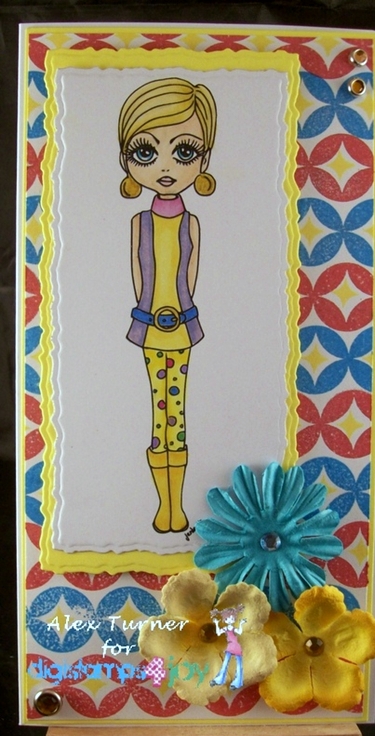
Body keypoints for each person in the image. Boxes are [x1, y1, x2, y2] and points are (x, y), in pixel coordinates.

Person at [118, 77, 217, 534]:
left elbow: (188, 279)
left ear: (203, 161)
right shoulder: (139, 222)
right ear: (127, 159)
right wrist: (149, 316)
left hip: (181, 327)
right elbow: (140, 278)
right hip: (149, 328)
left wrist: (180, 314)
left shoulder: (190, 223)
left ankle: (176, 507)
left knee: (175, 416)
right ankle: (167, 506)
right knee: (161, 416)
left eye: (183, 151)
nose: (164, 166)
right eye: (145, 151)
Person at [209, 605, 246, 689]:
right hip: (230, 645)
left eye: (231, 618)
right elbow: (218, 633)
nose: (229, 620)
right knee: (225, 662)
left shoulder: (233, 628)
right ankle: (219, 680)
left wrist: (241, 624)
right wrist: (216, 624)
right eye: (227, 618)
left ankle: (237, 683)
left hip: (236, 645)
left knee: (239, 664)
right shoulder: (226, 628)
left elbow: (240, 632)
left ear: (234, 619)